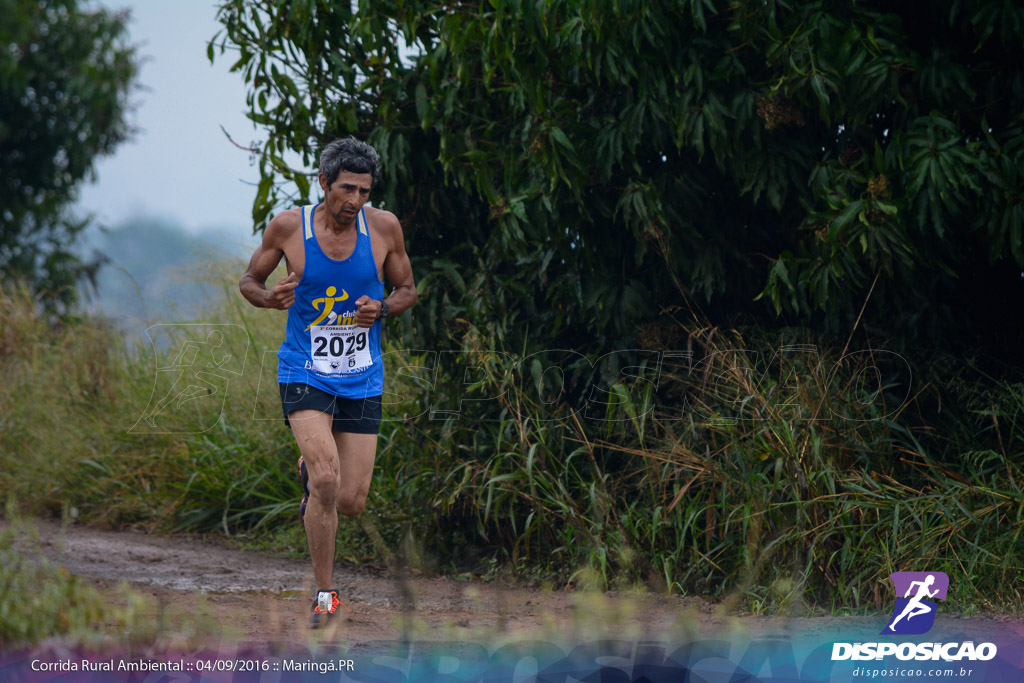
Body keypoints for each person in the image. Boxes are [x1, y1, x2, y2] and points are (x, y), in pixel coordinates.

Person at [239, 137, 417, 628]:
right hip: (304, 369)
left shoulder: (383, 228)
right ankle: (325, 597)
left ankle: (310, 474)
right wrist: (267, 298)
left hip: (362, 375)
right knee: (327, 479)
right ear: (323, 183)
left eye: (363, 191)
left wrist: (382, 307)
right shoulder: (289, 228)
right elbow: (249, 281)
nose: (354, 201)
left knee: (351, 501)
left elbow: (406, 289)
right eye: (346, 189)